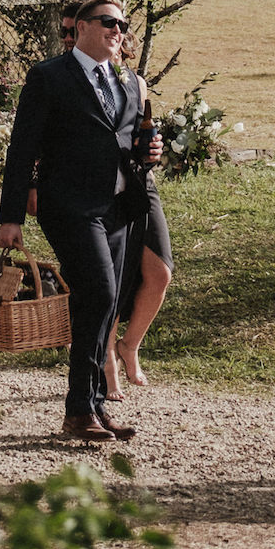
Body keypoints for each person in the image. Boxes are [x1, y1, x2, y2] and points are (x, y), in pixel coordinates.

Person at [0, 0, 161, 444]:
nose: (118, 31)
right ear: (82, 27)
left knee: (103, 303)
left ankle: (92, 406)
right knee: (99, 289)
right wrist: (10, 216)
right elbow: (22, 149)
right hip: (69, 206)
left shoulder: (127, 81)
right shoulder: (49, 76)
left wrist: (149, 153)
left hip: (118, 208)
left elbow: (128, 143)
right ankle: (78, 409)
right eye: (108, 22)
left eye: (123, 25)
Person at [105, 28, 172, 397]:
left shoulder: (137, 84)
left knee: (159, 272)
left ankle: (128, 345)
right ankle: (106, 361)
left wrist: (155, 146)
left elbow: (140, 134)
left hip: (140, 181)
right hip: (107, 185)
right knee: (115, 276)